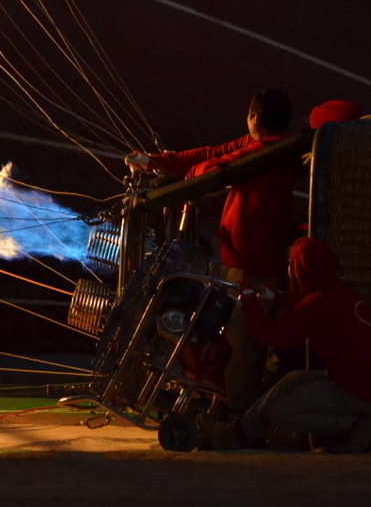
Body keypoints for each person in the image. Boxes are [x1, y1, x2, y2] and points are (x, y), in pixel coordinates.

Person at [127, 88, 300, 410]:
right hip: (242, 259)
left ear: (255, 117)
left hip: (254, 263)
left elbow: (216, 168)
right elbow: (211, 153)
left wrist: (186, 179)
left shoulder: (271, 151)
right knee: (231, 334)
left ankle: (240, 419)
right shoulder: (262, 145)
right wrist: (156, 162)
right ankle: (228, 405)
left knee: (242, 342)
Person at [200, 237, 371, 452]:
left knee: (278, 412)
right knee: (292, 380)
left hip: (359, 390)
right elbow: (307, 308)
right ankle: (237, 433)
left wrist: (247, 298)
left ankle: (358, 426)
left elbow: (270, 336)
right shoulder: (335, 290)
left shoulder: (319, 304)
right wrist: (276, 297)